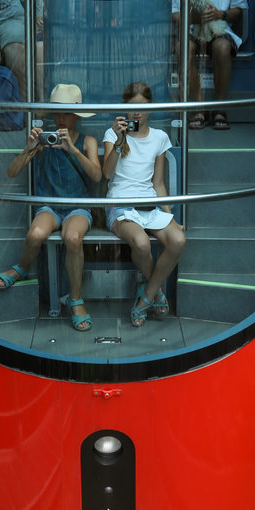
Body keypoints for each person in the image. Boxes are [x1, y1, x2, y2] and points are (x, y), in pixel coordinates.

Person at [0, 84, 101, 331]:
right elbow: (12, 172)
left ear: (77, 115)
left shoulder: (88, 141)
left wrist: (72, 149)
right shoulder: (43, 139)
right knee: (36, 234)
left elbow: (97, 176)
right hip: (49, 205)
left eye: (66, 113)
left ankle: (76, 299)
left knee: (73, 238)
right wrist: (30, 148)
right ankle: (21, 268)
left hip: (78, 206)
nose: (61, 119)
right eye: (57, 113)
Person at [102, 81, 186, 327]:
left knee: (178, 240)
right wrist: (118, 141)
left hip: (150, 205)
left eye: (142, 106)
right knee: (140, 242)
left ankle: (147, 294)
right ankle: (154, 294)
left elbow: (158, 184)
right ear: (124, 108)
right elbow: (107, 175)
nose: (137, 112)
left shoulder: (160, 137)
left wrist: (171, 218)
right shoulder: (112, 133)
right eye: (131, 107)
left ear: (151, 107)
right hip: (121, 206)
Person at [172, 0, 247, 131]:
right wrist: (195, 18)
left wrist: (220, 15)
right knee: (183, 49)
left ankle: (220, 108)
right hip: (192, 29)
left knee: (222, 47)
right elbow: (175, 14)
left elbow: (239, 10)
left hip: (220, 29)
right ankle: (198, 107)